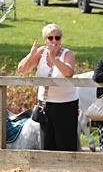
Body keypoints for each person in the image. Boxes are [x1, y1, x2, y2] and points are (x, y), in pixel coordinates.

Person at [16, 23, 80, 152]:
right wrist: (31, 54)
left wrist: (54, 59)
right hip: (46, 104)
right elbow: (21, 70)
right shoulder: (40, 52)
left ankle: (68, 168)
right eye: (50, 38)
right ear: (45, 40)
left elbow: (69, 73)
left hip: (66, 104)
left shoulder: (67, 54)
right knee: (47, 142)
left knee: (65, 142)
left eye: (58, 37)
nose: (54, 41)